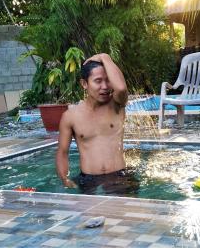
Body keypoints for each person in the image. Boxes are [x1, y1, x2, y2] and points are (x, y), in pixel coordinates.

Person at [55, 53, 138, 195]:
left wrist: (104, 57)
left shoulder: (117, 105)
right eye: (98, 81)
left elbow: (121, 88)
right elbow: (62, 152)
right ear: (84, 84)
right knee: (87, 216)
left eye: (108, 80)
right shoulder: (70, 116)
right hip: (87, 179)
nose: (105, 86)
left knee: (129, 214)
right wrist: (64, 179)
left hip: (119, 176)